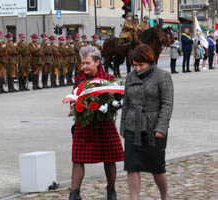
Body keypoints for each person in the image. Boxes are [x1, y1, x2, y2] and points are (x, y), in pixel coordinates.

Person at [69, 46, 124, 200]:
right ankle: (74, 193)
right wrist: (74, 107)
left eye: (87, 63)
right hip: (83, 124)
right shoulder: (79, 79)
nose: (84, 67)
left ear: (98, 62)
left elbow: (116, 101)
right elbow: (74, 98)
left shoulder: (108, 79)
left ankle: (111, 190)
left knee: (110, 158)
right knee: (78, 158)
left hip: (104, 124)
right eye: (82, 63)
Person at [120, 44, 173, 200]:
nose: (137, 68)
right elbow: (126, 103)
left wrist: (161, 127)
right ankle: (134, 198)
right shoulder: (130, 77)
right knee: (132, 166)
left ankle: (164, 195)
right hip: (132, 125)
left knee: (157, 167)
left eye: (140, 65)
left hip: (154, 127)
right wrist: (123, 127)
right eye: (134, 65)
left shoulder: (162, 76)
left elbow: (167, 103)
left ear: (150, 61)